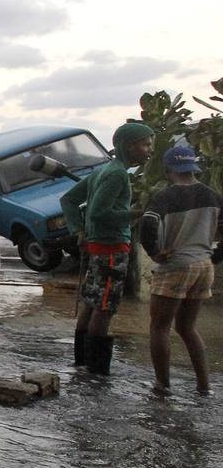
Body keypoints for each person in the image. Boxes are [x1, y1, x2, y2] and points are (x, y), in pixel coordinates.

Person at [60, 121, 155, 375]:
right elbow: (101, 212)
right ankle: (96, 373)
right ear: (130, 146)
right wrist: (135, 214)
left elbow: (68, 200)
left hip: (96, 248)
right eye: (146, 145)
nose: (148, 150)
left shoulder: (104, 171)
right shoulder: (117, 174)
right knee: (105, 307)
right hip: (111, 249)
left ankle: (81, 365)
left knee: (92, 302)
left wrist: (78, 230)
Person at [139, 144, 221, 394]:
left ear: (168, 169)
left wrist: (154, 253)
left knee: (159, 327)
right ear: (193, 167)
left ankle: (162, 385)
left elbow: (148, 224)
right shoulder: (212, 195)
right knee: (187, 327)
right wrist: (214, 257)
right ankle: (204, 386)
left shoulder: (165, 197)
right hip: (204, 266)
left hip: (176, 264)